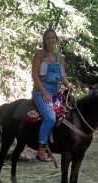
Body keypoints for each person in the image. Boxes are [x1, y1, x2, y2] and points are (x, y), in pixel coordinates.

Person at [31, 28, 72, 162]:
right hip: (40, 91)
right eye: (48, 38)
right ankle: (41, 148)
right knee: (50, 117)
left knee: (69, 114)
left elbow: (62, 76)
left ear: (56, 40)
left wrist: (69, 85)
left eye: (53, 38)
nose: (50, 40)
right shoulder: (40, 54)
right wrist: (44, 92)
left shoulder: (60, 58)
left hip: (56, 91)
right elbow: (35, 76)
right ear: (44, 40)